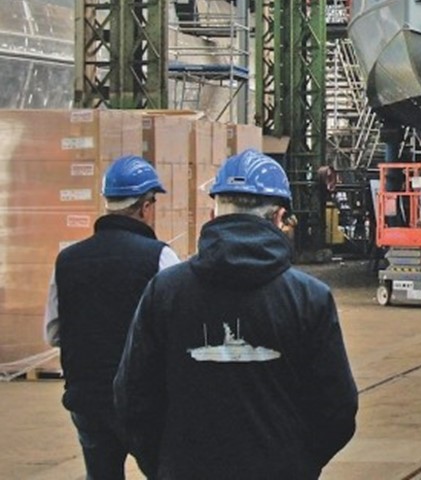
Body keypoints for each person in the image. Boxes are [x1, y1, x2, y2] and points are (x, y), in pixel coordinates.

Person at [114, 149, 358, 479]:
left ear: (214, 212)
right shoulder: (308, 299)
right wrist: (297, 462)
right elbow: (337, 409)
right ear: (278, 217)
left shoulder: (166, 292)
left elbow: (132, 397)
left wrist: (165, 464)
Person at [44, 155, 176, 480]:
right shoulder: (160, 256)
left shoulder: (67, 260)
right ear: (146, 206)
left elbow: (53, 333)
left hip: (86, 399)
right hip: (145, 400)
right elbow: (178, 328)